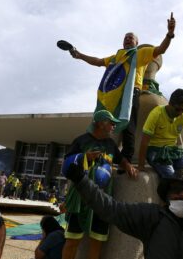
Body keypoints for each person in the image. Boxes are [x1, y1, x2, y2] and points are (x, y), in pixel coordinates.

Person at [69, 13, 176, 163]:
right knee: (107, 126)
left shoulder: (140, 54)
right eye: (125, 37)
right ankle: (101, 153)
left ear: (137, 43)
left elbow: (160, 50)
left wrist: (170, 34)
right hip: (113, 97)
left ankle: (126, 159)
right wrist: (80, 55)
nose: (127, 39)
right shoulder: (116, 58)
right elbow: (98, 61)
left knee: (128, 127)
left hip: (131, 94)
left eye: (131, 37)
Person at [60, 110, 138, 259]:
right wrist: (85, 157)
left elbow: (120, 159)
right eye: (111, 123)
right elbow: (66, 166)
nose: (113, 126)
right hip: (81, 199)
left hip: (103, 201)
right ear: (100, 123)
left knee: (97, 243)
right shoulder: (80, 141)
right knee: (72, 242)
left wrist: (127, 166)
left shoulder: (111, 144)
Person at [138, 88, 183, 178]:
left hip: (173, 151)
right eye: (177, 109)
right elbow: (144, 141)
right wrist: (141, 165)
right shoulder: (156, 114)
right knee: (171, 177)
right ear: (170, 104)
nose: (180, 112)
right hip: (156, 151)